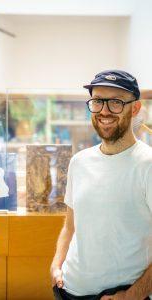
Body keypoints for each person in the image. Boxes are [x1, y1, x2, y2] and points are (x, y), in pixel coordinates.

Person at [50, 70, 152, 300]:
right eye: (97, 102)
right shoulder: (79, 161)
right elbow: (70, 226)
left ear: (135, 109)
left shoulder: (148, 165)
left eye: (115, 102)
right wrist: (57, 264)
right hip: (68, 290)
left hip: (121, 294)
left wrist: (131, 296)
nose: (104, 111)